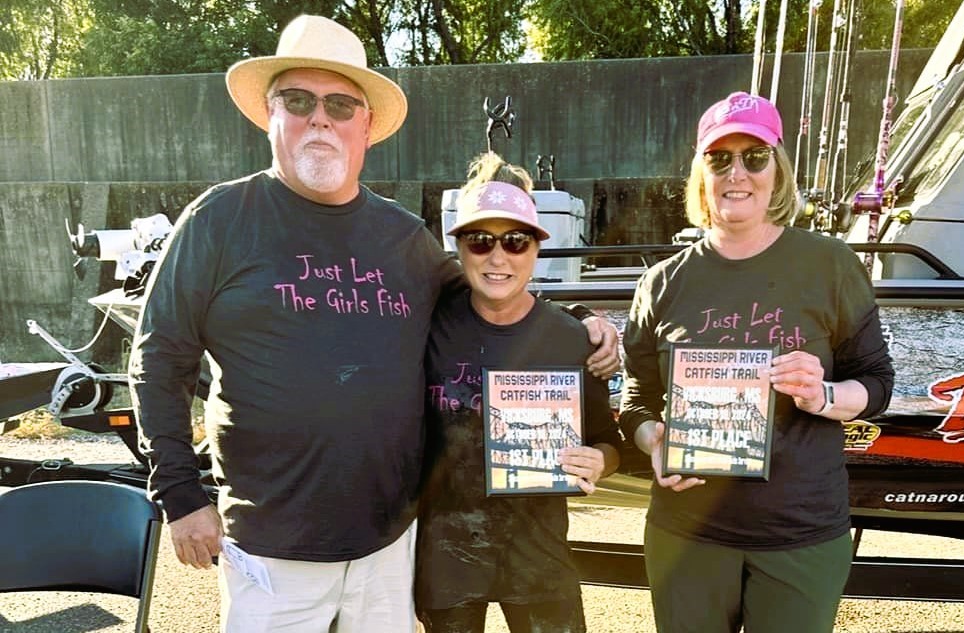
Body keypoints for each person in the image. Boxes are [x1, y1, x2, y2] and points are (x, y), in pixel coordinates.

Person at [128, 15, 618, 633]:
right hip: (273, 547)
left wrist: (580, 322)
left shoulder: (400, 236)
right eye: (298, 101)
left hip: (389, 541)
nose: (320, 118)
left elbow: (492, 291)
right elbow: (157, 360)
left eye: (339, 104)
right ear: (271, 117)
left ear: (366, 126)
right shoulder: (219, 221)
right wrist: (180, 494)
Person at [618, 92, 895, 633]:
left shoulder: (831, 265)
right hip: (686, 534)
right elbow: (636, 399)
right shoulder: (662, 282)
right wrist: (656, 444)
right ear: (702, 175)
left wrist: (823, 395)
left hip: (801, 534)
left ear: (778, 168)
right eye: (719, 159)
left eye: (754, 156)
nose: (736, 173)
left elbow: (878, 384)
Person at [415, 153, 622, 633]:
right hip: (448, 558)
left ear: (536, 248)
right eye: (480, 240)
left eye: (515, 241)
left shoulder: (570, 338)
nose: (498, 256)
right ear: (459, 247)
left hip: (540, 559)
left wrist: (599, 460)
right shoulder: (425, 324)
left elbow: (610, 442)